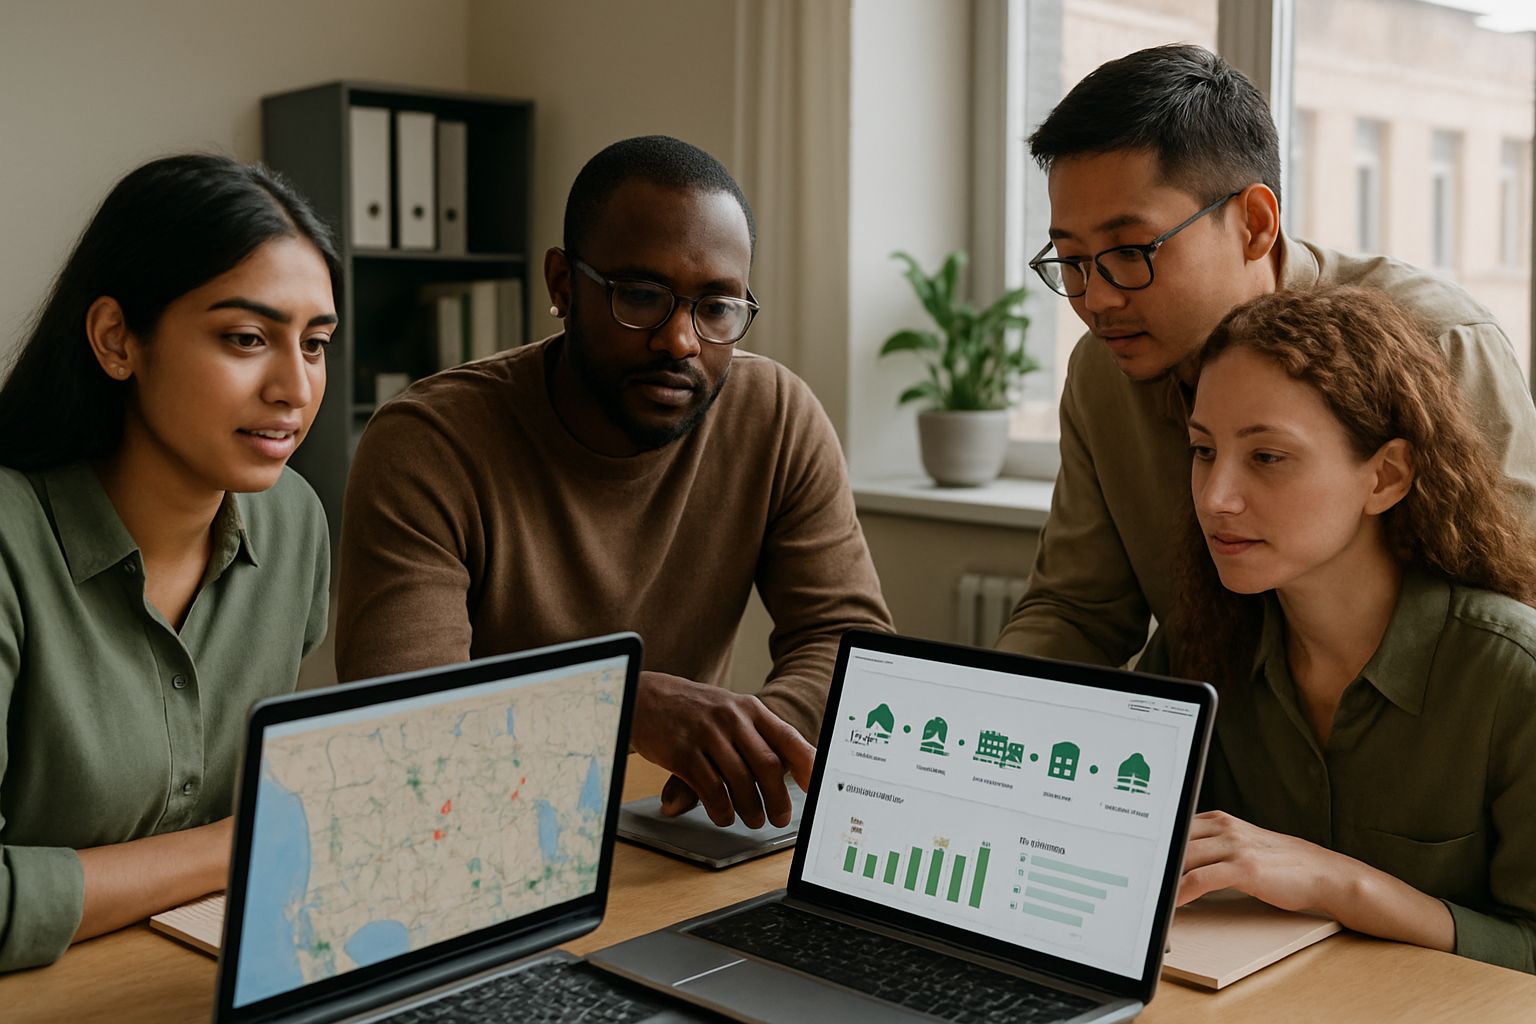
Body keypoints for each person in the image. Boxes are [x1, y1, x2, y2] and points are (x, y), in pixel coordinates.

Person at [335, 135, 892, 830]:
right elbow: (398, 719)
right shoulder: (428, 444)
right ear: (564, 287)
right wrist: (620, 706)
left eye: (717, 307)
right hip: (474, 829)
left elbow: (844, 640)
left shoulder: (774, 416)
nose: (680, 341)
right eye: (641, 295)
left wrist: (744, 750)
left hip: (665, 828)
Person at [995, 43, 1536, 665]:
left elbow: (1514, 611)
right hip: (1221, 746)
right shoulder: (1102, 371)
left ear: (1254, 223)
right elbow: (1078, 610)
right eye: (1071, 260)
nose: (1096, 299)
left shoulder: (1437, 343)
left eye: (1131, 252)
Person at [0, 154, 337, 972]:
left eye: (316, 344)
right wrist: (236, 847)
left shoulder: (294, 521)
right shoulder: (10, 540)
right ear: (117, 340)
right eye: (248, 338)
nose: (294, 386)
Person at [1139, 287, 1536, 974]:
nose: (1214, 497)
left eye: (1267, 457)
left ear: (1384, 476)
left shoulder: (1513, 677)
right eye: (1204, 451)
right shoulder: (1192, 648)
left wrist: (1338, 883)